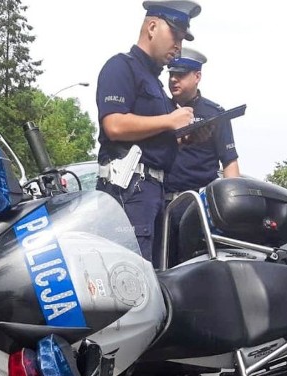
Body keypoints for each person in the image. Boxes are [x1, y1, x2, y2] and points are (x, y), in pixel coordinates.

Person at [95, 0, 201, 266]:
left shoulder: (155, 82)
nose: (177, 46)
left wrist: (184, 135)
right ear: (152, 26)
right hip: (128, 189)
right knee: (131, 279)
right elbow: (115, 125)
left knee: (150, 279)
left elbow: (155, 133)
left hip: (152, 193)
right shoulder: (122, 66)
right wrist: (169, 120)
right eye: (175, 35)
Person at [162, 47, 240, 264]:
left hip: (197, 207)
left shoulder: (214, 114)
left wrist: (231, 209)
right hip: (161, 204)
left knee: (195, 268)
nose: (174, 80)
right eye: (171, 74)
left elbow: (230, 163)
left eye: (181, 74)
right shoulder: (160, 110)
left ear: (197, 77)